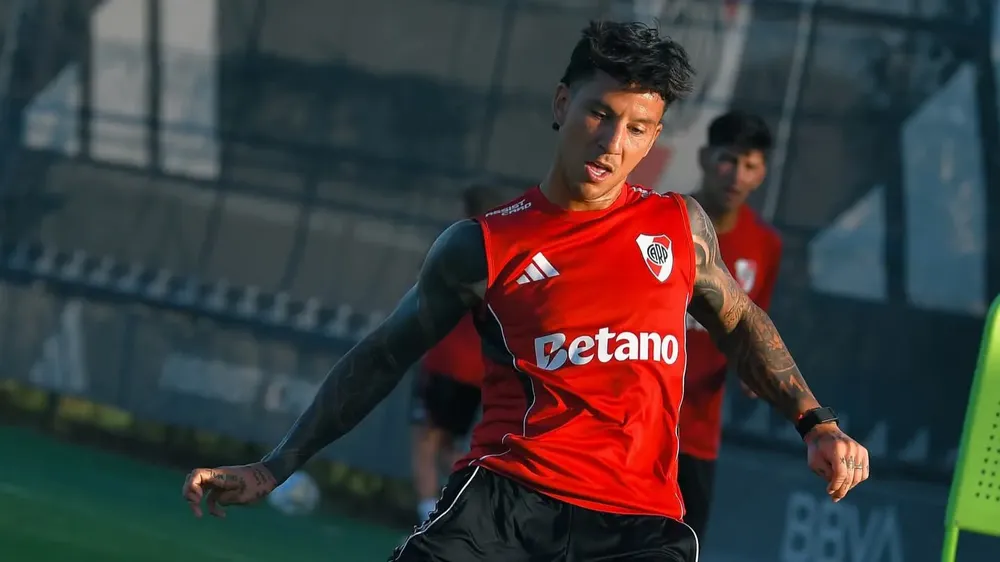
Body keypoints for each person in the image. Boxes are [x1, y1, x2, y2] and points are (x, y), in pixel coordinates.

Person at [182, 21, 870, 562]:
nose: (612, 141)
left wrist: (817, 422)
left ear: (656, 136)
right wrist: (275, 468)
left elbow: (741, 322)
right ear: (563, 102)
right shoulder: (481, 245)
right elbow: (383, 356)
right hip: (503, 506)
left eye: (637, 127)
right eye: (600, 114)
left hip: (639, 524)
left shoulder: (678, 227)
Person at [677, 110, 783, 541]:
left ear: (761, 174)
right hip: (627, 424)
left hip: (696, 438)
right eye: (728, 159)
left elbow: (752, 334)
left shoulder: (766, 246)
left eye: (751, 165)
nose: (737, 175)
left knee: (683, 545)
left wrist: (753, 371)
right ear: (704, 158)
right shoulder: (657, 220)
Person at [410, 185, 502, 524]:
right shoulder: (505, 247)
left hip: (445, 360)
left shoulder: (459, 243)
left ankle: (428, 514)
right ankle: (464, 511)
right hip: (478, 368)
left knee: (426, 440)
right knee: (450, 444)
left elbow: (426, 283)